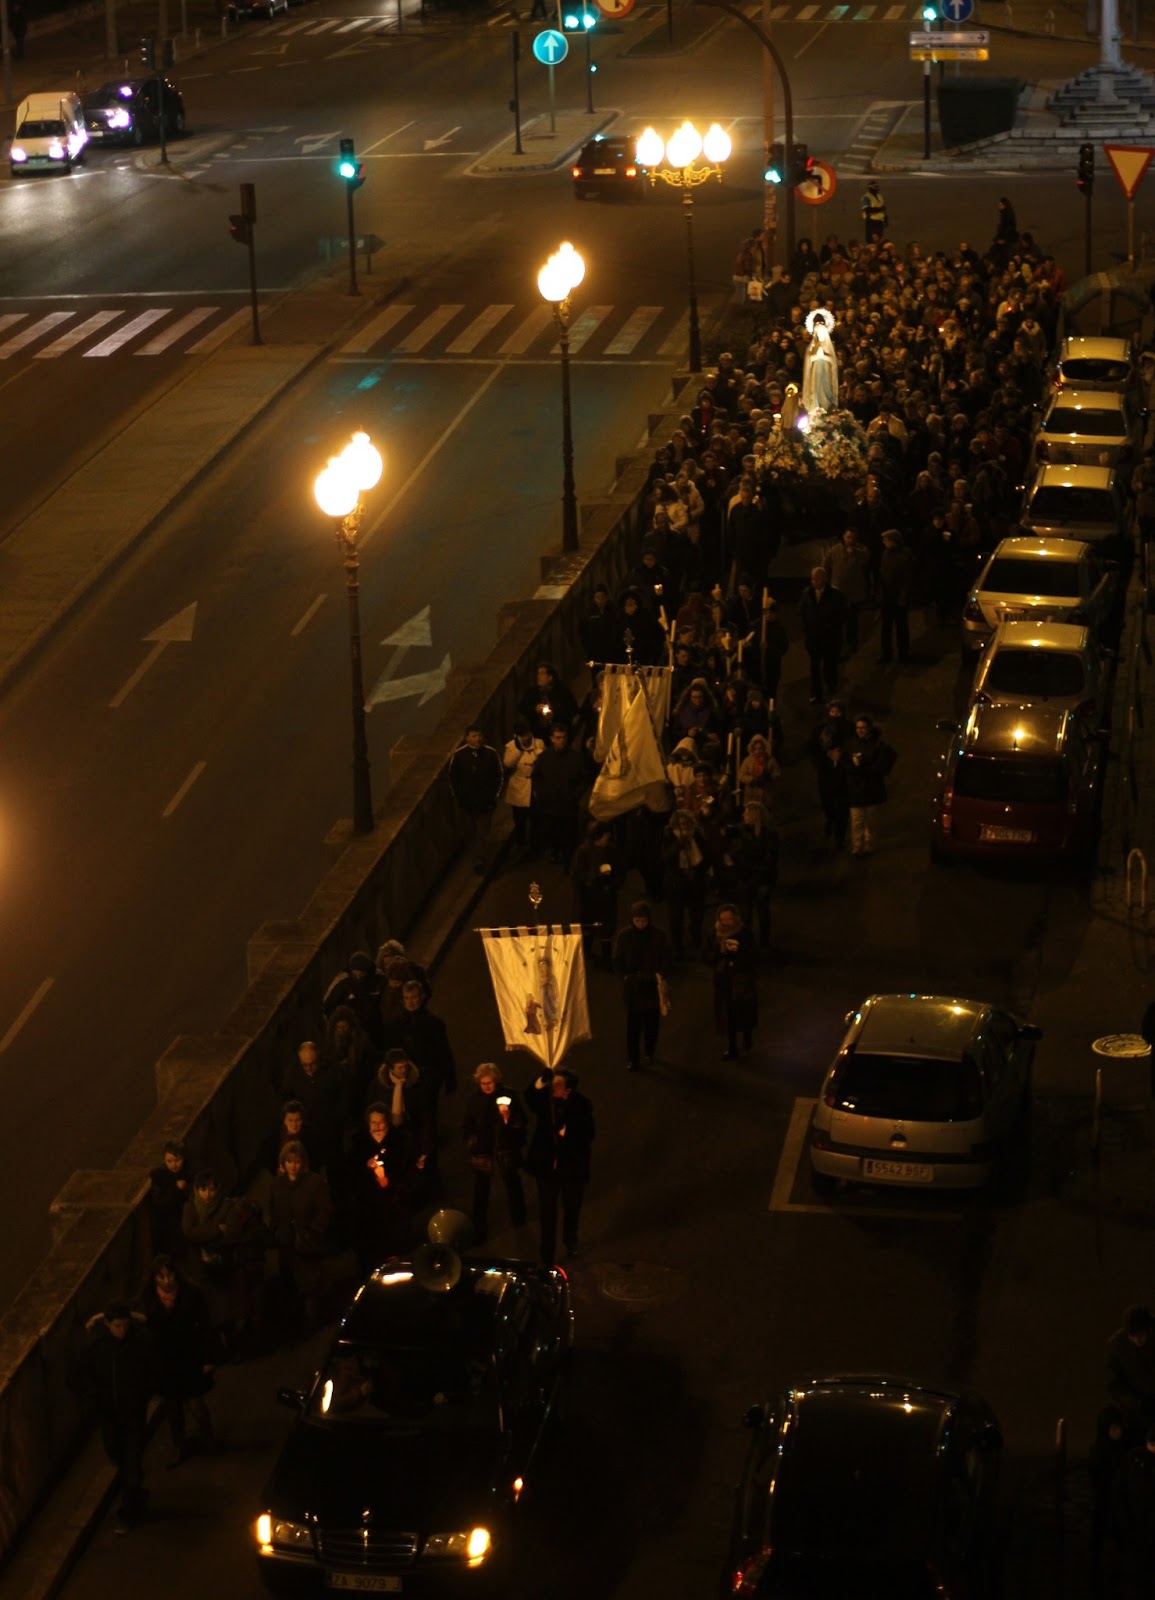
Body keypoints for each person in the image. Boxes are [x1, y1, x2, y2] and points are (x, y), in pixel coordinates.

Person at [70, 1302, 156, 1527]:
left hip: (134, 1414)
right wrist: (93, 1396)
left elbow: (153, 1345)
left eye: (126, 1325)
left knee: (131, 1464)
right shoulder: (96, 1348)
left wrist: (143, 1395)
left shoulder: (139, 1344)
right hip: (109, 1415)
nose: (123, 1331)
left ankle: (128, 1511)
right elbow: (76, 1375)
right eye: (118, 1326)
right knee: (117, 1456)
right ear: (108, 1324)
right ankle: (135, 1495)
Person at [138, 1257, 217, 1466]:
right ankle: (179, 1446)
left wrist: (209, 1357)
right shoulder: (148, 1300)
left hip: (189, 1357)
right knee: (173, 1409)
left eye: (169, 1275)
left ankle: (208, 1438)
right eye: (161, 1276)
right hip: (166, 1362)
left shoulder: (191, 1294)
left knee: (196, 1404)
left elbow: (206, 1326)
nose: (166, 1281)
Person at [524, 1068, 595, 1264]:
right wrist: (541, 1080)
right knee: (547, 1211)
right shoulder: (547, 1101)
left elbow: (588, 1133)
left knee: (572, 1207)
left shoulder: (582, 1105)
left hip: (572, 1168)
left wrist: (567, 1133)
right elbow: (530, 1099)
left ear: (568, 1090)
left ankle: (570, 1241)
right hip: (547, 1168)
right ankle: (546, 1253)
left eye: (557, 1084)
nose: (553, 1087)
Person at [271, 1141, 335, 1331]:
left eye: (297, 1161)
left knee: (310, 1288)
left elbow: (325, 1211)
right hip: (286, 1244)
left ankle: (310, 1328)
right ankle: (293, 1327)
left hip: (307, 1244)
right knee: (290, 1286)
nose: (293, 1166)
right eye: (289, 1161)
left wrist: (312, 1231)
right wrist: (277, 1230)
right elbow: (273, 1209)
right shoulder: (278, 1184)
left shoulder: (314, 1183)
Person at [462, 1064, 527, 1244]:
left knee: (513, 1184)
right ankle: (479, 1228)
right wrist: (473, 1143)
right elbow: (467, 1125)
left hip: (505, 1149)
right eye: (483, 1083)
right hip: (483, 1151)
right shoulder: (474, 1100)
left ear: (496, 1081)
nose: (487, 1087)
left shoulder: (509, 1095)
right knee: (481, 1190)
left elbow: (522, 1121)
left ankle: (520, 1221)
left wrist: (509, 1118)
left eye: (490, 1083)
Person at [348, 1104, 409, 1272]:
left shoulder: (398, 1140)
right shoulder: (358, 1142)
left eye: (381, 1122)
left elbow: (404, 1167)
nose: (377, 1127)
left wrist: (388, 1179)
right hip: (367, 1201)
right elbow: (352, 1169)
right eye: (373, 1123)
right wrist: (366, 1165)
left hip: (392, 1201)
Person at [612, 900, 672, 1072]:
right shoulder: (624, 936)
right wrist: (624, 977)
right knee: (633, 1026)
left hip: (652, 986)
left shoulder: (659, 936)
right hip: (634, 987)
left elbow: (667, 958)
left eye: (643, 921)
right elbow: (617, 960)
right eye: (637, 921)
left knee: (652, 1023)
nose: (640, 924)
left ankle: (649, 1052)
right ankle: (633, 1058)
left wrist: (661, 974)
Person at [447, 725, 504, 874]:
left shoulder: (491, 753)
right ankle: (476, 856)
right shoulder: (459, 755)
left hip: (485, 802)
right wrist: (459, 796)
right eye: (474, 736)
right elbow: (453, 778)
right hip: (467, 802)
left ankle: (479, 860)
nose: (477, 739)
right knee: (471, 832)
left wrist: (493, 796)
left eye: (479, 736)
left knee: (482, 832)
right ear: (467, 738)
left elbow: (499, 776)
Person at [531, 723, 586, 868]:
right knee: (552, 832)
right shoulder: (544, 757)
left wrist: (575, 795)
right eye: (558, 737)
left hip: (568, 806)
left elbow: (583, 780)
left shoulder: (576, 758)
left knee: (568, 835)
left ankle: (568, 860)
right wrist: (541, 793)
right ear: (551, 739)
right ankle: (555, 853)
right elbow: (536, 776)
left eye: (563, 737)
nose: (561, 740)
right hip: (550, 805)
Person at [570, 820, 621, 970]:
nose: (607, 839)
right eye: (605, 836)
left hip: (606, 896)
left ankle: (606, 959)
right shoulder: (583, 852)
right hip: (589, 898)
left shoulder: (611, 851)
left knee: (606, 928)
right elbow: (576, 875)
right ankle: (586, 955)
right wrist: (594, 876)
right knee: (589, 926)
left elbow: (620, 870)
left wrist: (613, 884)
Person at [844, 714, 897, 858]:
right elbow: (845, 762)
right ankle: (857, 847)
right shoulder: (850, 744)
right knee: (856, 820)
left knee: (870, 820)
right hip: (855, 788)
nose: (860, 730)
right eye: (858, 727)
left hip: (871, 787)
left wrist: (867, 769)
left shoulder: (878, 745)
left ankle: (869, 846)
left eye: (863, 727)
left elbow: (885, 762)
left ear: (869, 728)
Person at [712, 903, 758, 1060]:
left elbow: (753, 956)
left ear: (736, 918)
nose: (726, 923)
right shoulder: (715, 934)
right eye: (723, 919)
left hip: (741, 980)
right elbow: (705, 955)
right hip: (724, 981)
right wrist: (719, 955)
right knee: (728, 1015)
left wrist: (737, 960)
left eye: (729, 919)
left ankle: (746, 1037)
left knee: (744, 1011)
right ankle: (732, 1048)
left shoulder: (745, 934)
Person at [799, 566, 847, 705]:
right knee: (814, 667)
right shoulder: (807, 594)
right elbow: (801, 612)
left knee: (829, 664)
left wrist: (832, 627)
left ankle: (831, 687)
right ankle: (816, 694)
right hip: (813, 637)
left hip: (829, 637)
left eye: (817, 579)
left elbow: (843, 614)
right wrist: (806, 629)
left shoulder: (836, 595)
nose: (814, 582)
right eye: (813, 579)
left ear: (824, 579)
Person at [808, 698, 852, 848]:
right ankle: (830, 819)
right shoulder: (820, 729)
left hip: (843, 774)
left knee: (842, 805)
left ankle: (840, 835)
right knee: (827, 801)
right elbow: (812, 749)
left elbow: (854, 747)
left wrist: (842, 756)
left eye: (838, 712)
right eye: (832, 711)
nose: (835, 715)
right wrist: (826, 757)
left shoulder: (849, 729)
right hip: (825, 773)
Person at [1090, 1405, 1129, 1562]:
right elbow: (1097, 1473)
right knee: (1102, 1520)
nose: (1118, 1432)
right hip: (1105, 1493)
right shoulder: (1100, 1449)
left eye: (1119, 1428)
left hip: (1118, 1495)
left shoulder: (1121, 1448)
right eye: (1114, 1428)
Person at [823, 529, 872, 653]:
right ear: (844, 537)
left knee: (852, 620)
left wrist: (855, 552)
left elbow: (866, 558)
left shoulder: (861, 550)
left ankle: (852, 644)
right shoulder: (835, 550)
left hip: (853, 591)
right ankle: (837, 644)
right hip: (838, 591)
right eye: (848, 537)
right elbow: (826, 565)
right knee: (837, 620)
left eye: (853, 537)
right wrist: (826, 583)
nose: (851, 540)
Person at [1108, 1305, 1155, 1427]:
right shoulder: (1118, 1347)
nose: (1137, 1339)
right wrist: (1137, 1403)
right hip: (1139, 1414)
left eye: (1141, 1334)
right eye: (1133, 1335)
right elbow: (1114, 1384)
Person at [502, 718, 544, 855]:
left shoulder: (539, 743)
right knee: (520, 819)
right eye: (521, 735)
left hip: (535, 787)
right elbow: (507, 764)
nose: (525, 738)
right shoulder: (511, 747)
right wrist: (518, 751)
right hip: (519, 788)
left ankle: (535, 845)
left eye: (526, 734)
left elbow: (544, 762)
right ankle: (520, 843)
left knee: (536, 818)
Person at [148, 1139, 190, 1260]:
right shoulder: (159, 1176)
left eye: (177, 1160)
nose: (174, 1165)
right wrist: (176, 1189)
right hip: (168, 1225)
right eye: (169, 1161)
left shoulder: (188, 1173)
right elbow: (160, 1203)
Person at [877, 527, 912, 664]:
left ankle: (903, 652)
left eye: (886, 540)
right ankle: (886, 653)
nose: (884, 542)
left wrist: (903, 596)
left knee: (901, 626)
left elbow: (908, 578)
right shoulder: (886, 554)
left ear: (894, 541)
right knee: (886, 627)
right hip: (887, 597)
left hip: (898, 597)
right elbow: (882, 574)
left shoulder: (905, 555)